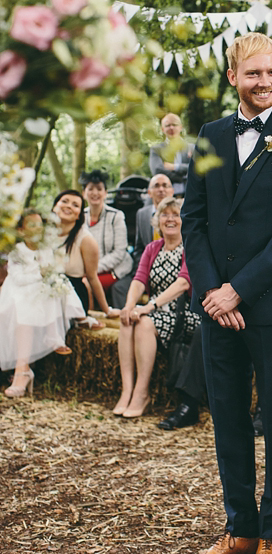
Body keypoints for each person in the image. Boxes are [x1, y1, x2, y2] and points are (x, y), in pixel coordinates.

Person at [180, 32, 272, 554]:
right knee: (229, 421)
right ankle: (238, 529)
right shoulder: (212, 134)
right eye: (254, 74)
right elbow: (194, 219)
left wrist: (239, 289)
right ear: (233, 77)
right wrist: (215, 293)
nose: (265, 83)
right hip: (218, 308)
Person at [113, 197, 201, 418]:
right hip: (155, 311)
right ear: (157, 220)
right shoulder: (153, 247)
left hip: (185, 314)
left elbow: (184, 282)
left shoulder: (190, 246)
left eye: (175, 214)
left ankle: (142, 393)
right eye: (165, 214)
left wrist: (148, 306)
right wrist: (130, 305)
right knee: (127, 321)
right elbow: (139, 279)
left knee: (143, 322)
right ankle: (127, 391)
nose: (170, 219)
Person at [0, 210, 86, 396]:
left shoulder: (46, 249)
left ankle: (25, 368)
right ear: (21, 231)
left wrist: (48, 273)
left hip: (39, 291)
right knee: (25, 301)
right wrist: (40, 274)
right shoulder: (17, 252)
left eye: (40, 224)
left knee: (53, 286)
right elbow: (18, 278)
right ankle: (22, 369)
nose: (38, 228)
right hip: (17, 290)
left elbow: (54, 269)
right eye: (32, 225)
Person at [53, 190, 114, 319]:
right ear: (54, 207)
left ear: (78, 216)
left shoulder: (86, 240)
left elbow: (92, 278)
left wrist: (107, 310)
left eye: (75, 205)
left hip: (72, 296)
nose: (69, 206)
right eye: (64, 201)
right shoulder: (41, 233)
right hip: (45, 290)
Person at [81, 169, 133, 309]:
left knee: (87, 284)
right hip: (87, 270)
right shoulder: (79, 217)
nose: (95, 193)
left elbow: (119, 252)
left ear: (105, 193)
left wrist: (91, 269)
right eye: (90, 189)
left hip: (115, 269)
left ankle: (91, 322)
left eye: (99, 189)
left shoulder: (116, 216)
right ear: (84, 193)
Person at [133, 174, 174, 267]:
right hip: (148, 268)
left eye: (165, 185)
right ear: (149, 193)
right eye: (156, 186)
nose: (161, 189)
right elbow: (139, 249)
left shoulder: (182, 213)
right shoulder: (141, 214)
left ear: (172, 191)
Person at [149, 113, 195, 196]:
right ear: (162, 129)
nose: (171, 128)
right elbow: (157, 171)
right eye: (168, 125)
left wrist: (174, 167)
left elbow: (196, 169)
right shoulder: (156, 150)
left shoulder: (192, 148)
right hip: (163, 195)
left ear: (181, 127)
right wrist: (183, 178)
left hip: (190, 193)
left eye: (174, 125)